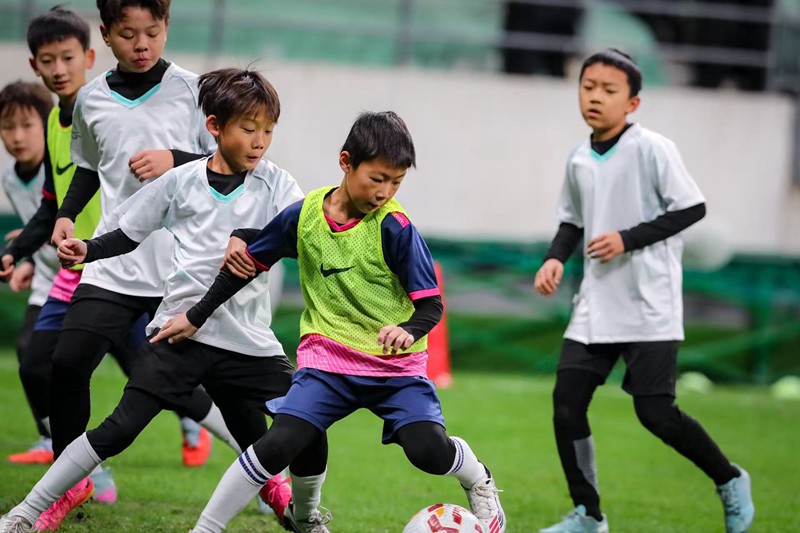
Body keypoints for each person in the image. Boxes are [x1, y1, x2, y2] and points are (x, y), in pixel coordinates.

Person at [163, 111, 507, 533]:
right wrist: (195, 316)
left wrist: (407, 330)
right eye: (377, 178)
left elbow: (431, 306)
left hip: (394, 369)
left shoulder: (397, 228)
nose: (384, 192)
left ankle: (478, 477)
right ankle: (283, 520)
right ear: (346, 162)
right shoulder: (305, 216)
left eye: (396, 182)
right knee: (280, 442)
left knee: (428, 452)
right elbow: (245, 266)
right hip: (327, 362)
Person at [0, 66, 310, 533]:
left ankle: (305, 516)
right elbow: (128, 231)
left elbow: (296, 233)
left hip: (246, 341)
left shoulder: (277, 184)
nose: (260, 141)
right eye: (249, 129)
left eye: (268, 130)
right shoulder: (181, 181)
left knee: (299, 420)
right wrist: (88, 250)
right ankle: (25, 511)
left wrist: (249, 236)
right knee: (118, 428)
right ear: (214, 126)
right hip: (180, 335)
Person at [533, 49, 754, 533]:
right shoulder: (578, 157)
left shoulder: (653, 148)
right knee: (567, 404)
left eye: (608, 90)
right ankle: (588, 515)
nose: (595, 97)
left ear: (632, 102)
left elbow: (691, 208)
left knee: (655, 414)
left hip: (649, 304)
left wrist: (626, 239)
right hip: (595, 303)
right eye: (588, 86)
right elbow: (571, 220)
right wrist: (555, 258)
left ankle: (730, 479)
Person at [0, 80, 60, 464]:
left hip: (95, 279)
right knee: (31, 356)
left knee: (145, 368)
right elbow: (37, 229)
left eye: (27, 125)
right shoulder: (10, 179)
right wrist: (30, 263)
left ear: (47, 124)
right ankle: (53, 442)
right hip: (50, 282)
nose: (17, 137)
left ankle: (195, 422)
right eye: (8, 127)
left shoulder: (65, 167)